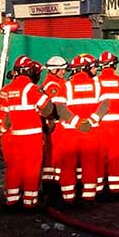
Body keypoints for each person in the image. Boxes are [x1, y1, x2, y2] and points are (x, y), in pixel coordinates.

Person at [0, 55, 53, 209]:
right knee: (31, 168)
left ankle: (11, 200)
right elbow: (47, 108)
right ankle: (30, 201)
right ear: (29, 71)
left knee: (13, 167)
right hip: (31, 137)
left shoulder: (5, 91)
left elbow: (0, 114)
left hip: (11, 138)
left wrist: (1, 131)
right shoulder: (31, 89)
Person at [55, 54, 107, 204]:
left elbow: (60, 108)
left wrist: (76, 122)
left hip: (70, 132)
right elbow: (105, 105)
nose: (94, 69)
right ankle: (89, 198)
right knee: (89, 164)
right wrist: (91, 121)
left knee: (68, 165)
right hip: (91, 132)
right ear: (86, 68)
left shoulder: (66, 86)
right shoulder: (97, 85)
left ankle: (68, 198)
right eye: (92, 66)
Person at [96, 50, 119, 195]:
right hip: (116, 123)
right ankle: (115, 189)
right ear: (113, 65)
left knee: (100, 156)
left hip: (100, 124)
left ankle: (98, 188)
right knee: (115, 155)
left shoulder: (96, 82)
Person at [40, 55, 68, 185]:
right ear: (53, 70)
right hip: (55, 125)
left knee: (57, 155)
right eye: (61, 70)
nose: (64, 72)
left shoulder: (59, 82)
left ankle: (55, 181)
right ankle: (50, 185)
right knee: (53, 155)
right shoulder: (52, 85)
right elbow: (57, 108)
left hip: (58, 125)